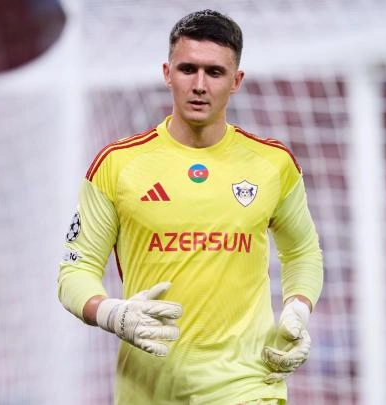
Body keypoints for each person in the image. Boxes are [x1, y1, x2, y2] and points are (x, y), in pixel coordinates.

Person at [58, 9, 323, 405]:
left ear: (236, 81)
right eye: (188, 69)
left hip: (247, 387)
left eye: (214, 72)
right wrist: (112, 313)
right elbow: (75, 271)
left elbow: (302, 251)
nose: (199, 85)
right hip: (149, 390)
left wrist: (298, 307)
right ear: (167, 73)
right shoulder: (117, 166)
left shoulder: (273, 165)